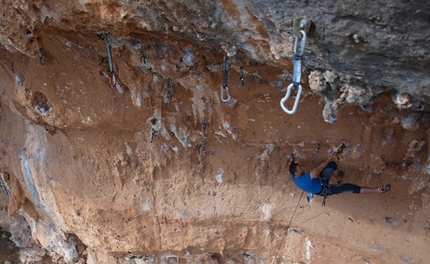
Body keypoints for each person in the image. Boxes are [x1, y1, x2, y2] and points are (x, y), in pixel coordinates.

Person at [289, 150, 391, 200]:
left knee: (332, 166)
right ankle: (378, 190)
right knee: (350, 187)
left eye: (301, 167)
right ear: (296, 173)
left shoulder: (293, 175)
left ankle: (339, 177)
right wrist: (329, 158)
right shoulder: (304, 180)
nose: (303, 168)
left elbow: (291, 166)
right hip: (324, 189)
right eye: (300, 169)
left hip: (320, 181)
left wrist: (292, 160)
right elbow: (318, 169)